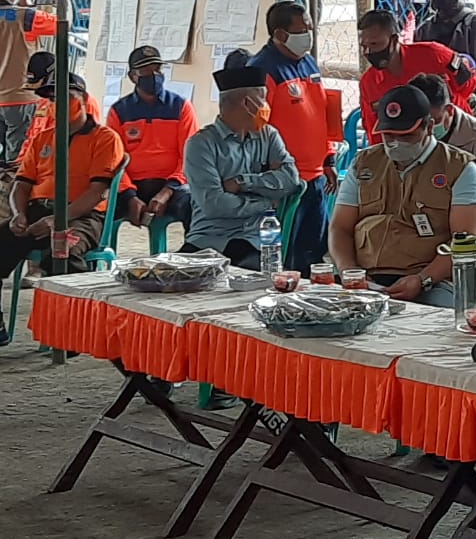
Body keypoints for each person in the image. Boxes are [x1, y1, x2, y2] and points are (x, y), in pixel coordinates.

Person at [328, 83, 476, 305]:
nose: (395, 143)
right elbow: (340, 228)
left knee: (433, 321)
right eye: (388, 135)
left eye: (406, 135)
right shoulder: (364, 164)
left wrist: (422, 279)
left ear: (429, 126)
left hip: (433, 280)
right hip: (365, 277)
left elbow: (464, 242)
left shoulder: (460, 168)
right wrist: (349, 270)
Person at [0, 73, 125, 345]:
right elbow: (21, 184)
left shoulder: (105, 138)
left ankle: (72, 333)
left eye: (66, 98)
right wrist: (18, 214)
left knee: (63, 253)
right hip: (35, 210)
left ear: (83, 100)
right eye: (53, 99)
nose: (58, 104)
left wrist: (57, 220)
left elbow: (96, 192)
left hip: (81, 214)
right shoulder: (42, 138)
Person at [248, 2, 339, 271]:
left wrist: (328, 158)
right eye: (302, 30)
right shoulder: (262, 70)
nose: (308, 35)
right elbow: (256, 130)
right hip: (285, 182)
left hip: (316, 177)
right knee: (286, 256)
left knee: (314, 253)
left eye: (310, 28)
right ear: (279, 35)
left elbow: (322, 112)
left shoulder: (308, 62)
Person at [182, 65, 302, 270]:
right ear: (247, 103)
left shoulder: (268, 135)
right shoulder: (201, 144)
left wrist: (243, 182)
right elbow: (214, 204)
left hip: (254, 238)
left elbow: (291, 179)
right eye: (263, 99)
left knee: (251, 280)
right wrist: (265, 204)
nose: (266, 106)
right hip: (207, 238)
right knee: (173, 283)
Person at [105, 45, 199, 235]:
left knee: (195, 207)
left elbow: (190, 157)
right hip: (132, 186)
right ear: (133, 76)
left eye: (157, 69)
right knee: (97, 209)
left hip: (172, 186)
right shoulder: (119, 112)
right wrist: (130, 195)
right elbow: (113, 161)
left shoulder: (181, 107)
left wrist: (168, 190)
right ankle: (98, 259)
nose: (154, 74)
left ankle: (196, 256)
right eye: (146, 70)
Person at [411, 73, 476, 243]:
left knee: (460, 257)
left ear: (449, 110)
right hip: (422, 223)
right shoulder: (407, 137)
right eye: (421, 123)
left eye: (434, 120)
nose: (428, 129)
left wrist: (448, 231)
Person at [358, 9, 476, 143]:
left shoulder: (434, 54)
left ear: (395, 39)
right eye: (364, 46)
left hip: (457, 136)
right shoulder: (369, 83)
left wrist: (443, 98)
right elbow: (375, 133)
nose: (368, 52)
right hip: (409, 150)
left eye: (375, 44)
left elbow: (469, 85)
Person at [0, 0, 56, 163]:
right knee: (17, 160)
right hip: (19, 98)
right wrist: (23, 7)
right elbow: (60, 26)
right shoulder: (27, 17)